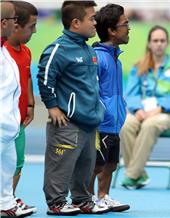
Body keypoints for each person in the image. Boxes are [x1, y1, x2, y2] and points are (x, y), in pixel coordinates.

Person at [37, 1, 108, 215]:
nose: (96, 22)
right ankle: (56, 203)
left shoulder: (88, 49)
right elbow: (44, 77)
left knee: (85, 166)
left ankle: (81, 199)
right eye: (92, 18)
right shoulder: (58, 49)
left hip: (89, 121)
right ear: (76, 23)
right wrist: (52, 107)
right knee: (61, 165)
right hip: (67, 121)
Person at [120, 25, 170, 189]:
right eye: (155, 40)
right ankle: (139, 173)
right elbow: (130, 94)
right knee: (126, 123)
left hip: (167, 115)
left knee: (151, 124)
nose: (159, 44)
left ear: (167, 43)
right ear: (149, 43)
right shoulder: (139, 66)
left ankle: (131, 175)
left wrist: (159, 109)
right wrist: (138, 110)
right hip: (142, 113)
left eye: (162, 40)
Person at [87, 3, 130, 212]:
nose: (128, 28)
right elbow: (92, 92)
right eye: (125, 24)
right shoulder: (98, 58)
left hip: (114, 123)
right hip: (101, 123)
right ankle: (86, 198)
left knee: (111, 164)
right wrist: (103, 112)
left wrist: (121, 108)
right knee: (95, 165)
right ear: (112, 31)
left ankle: (102, 197)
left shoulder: (116, 58)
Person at [0, 1, 33, 217]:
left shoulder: (5, 54)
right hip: (3, 127)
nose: (16, 24)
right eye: (14, 20)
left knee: (10, 165)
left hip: (9, 129)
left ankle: (6, 202)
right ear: (4, 23)